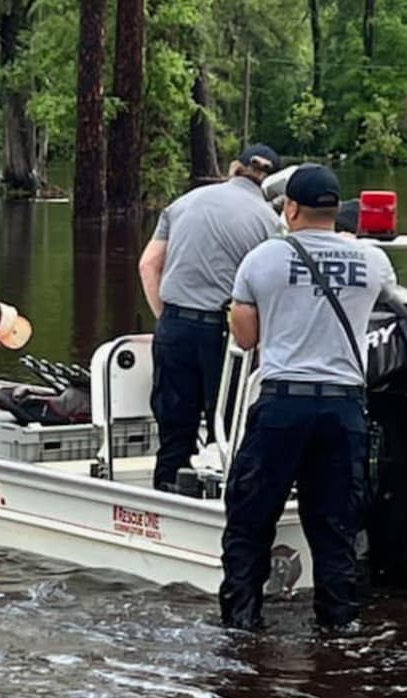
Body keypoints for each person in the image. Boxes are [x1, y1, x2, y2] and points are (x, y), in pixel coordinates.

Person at [219, 164, 396, 629]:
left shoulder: (262, 259)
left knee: (249, 522)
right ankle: (339, 631)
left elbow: (246, 338)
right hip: (343, 410)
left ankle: (241, 628)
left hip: (283, 405)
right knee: (336, 529)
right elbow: (386, 309)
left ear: (290, 208)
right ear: (337, 210)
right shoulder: (372, 260)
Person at [138, 144, 283, 494]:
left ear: (235, 167)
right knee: (230, 427)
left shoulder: (184, 203)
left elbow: (148, 265)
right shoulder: (269, 221)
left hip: (174, 325)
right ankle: (227, 499)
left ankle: (168, 491)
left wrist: (166, 318)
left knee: (174, 427)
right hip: (226, 335)